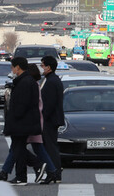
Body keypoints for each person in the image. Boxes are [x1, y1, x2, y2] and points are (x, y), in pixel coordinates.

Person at [4, 57, 43, 185]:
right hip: (24, 121)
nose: (12, 70)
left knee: (18, 149)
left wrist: (15, 116)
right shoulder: (26, 80)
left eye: (12, 67)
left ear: (18, 67)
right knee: (18, 148)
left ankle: (24, 175)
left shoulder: (24, 82)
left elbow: (22, 104)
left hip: (22, 122)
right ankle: (26, 173)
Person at [40, 55, 64, 183]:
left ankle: (55, 172)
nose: (41, 68)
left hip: (50, 120)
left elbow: (48, 104)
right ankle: (54, 171)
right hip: (51, 119)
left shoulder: (52, 82)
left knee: (50, 147)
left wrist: (42, 117)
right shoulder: (51, 79)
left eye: (43, 65)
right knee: (49, 146)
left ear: (49, 67)